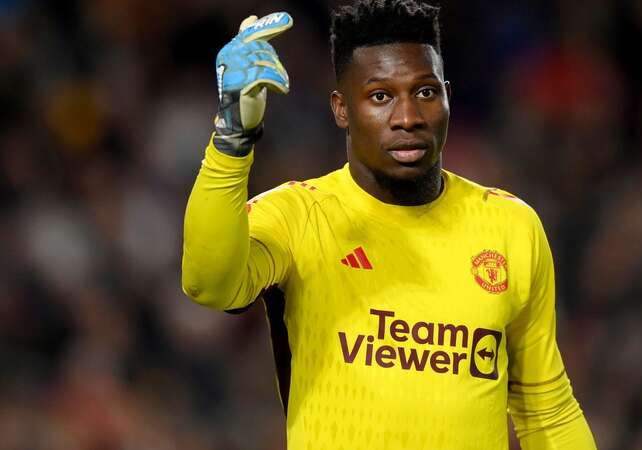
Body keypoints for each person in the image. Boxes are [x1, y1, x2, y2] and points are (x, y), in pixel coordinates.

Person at [181, 1, 596, 448]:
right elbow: (209, 284)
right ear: (341, 109)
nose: (408, 117)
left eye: (425, 92)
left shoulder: (510, 225)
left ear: (448, 97)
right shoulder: (300, 215)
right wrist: (231, 139)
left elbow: (547, 409)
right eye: (381, 96)